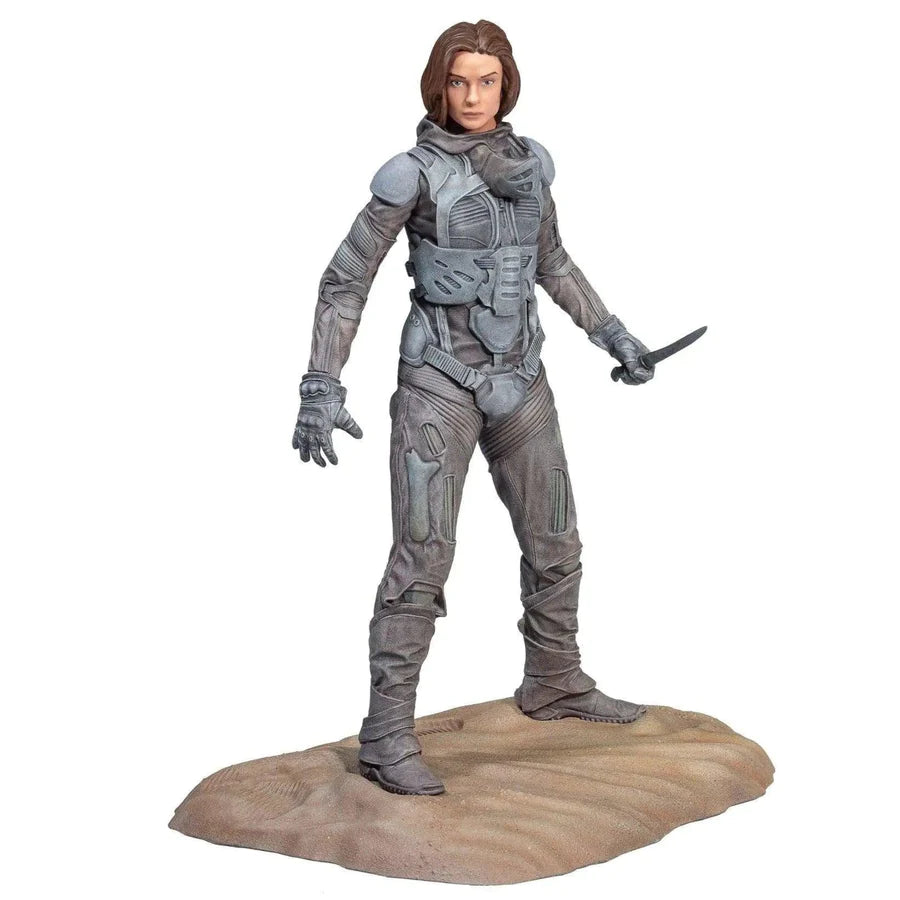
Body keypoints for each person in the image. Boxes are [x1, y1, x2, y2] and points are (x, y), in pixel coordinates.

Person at [293, 20, 654, 796]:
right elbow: (346, 280)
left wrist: (614, 334)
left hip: (522, 377)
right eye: (458, 81)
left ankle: (554, 679)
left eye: (486, 81)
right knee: (423, 554)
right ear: (439, 85)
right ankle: (386, 734)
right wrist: (322, 383)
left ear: (506, 85)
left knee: (556, 539)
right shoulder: (411, 175)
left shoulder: (531, 167)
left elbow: (553, 263)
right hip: (439, 380)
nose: (472, 96)